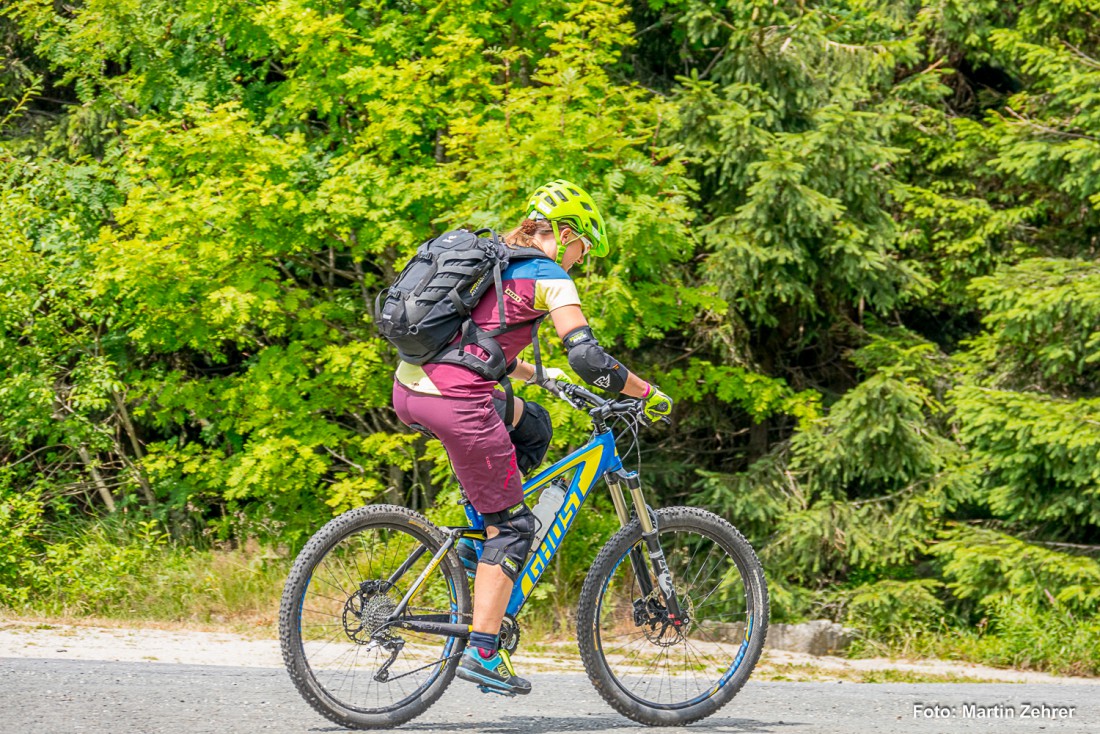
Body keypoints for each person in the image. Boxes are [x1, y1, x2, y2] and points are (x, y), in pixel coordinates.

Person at [391, 179, 673, 696]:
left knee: (533, 425)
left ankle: (480, 548)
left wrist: (543, 378)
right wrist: (645, 392)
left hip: (413, 388)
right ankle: (481, 648)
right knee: (515, 528)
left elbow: (473, 342)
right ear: (566, 234)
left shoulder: (499, 259)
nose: (581, 260)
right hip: (458, 401)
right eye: (583, 248)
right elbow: (589, 358)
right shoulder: (549, 274)